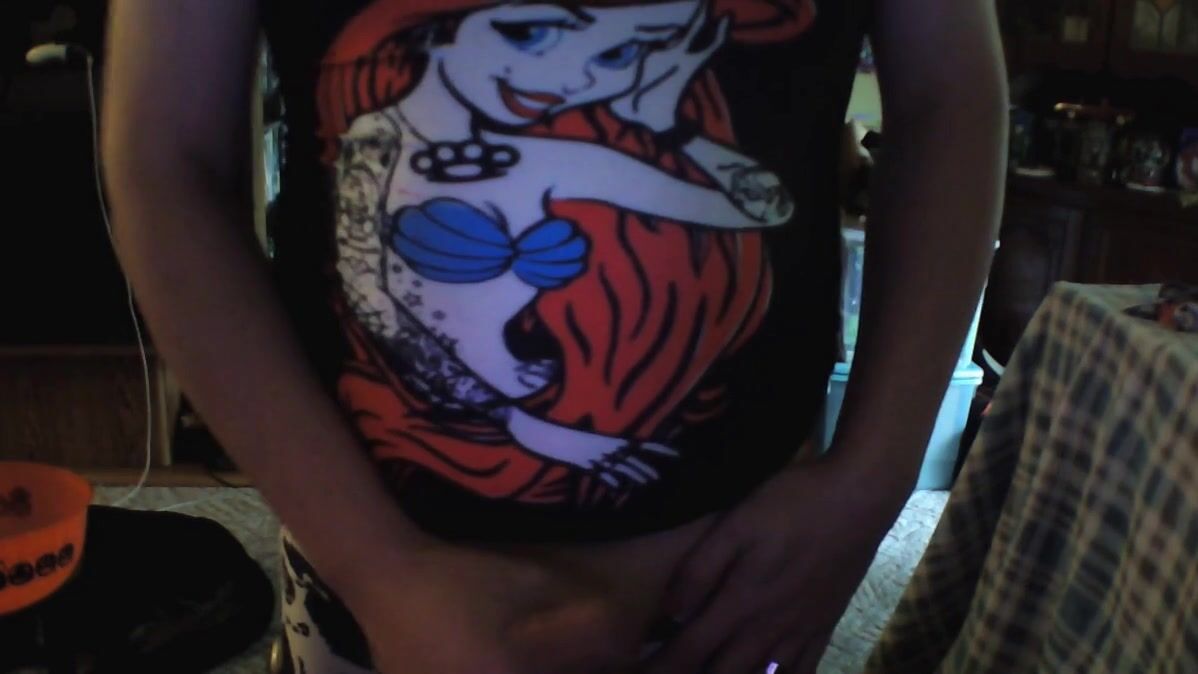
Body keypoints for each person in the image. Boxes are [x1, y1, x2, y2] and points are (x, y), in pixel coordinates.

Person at [102, 0, 1007, 672]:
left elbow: (938, 101)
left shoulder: (567, 154)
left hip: (727, 586)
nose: (566, 79)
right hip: (376, 572)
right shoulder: (388, 142)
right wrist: (380, 572)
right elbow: (166, 155)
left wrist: (871, 479)